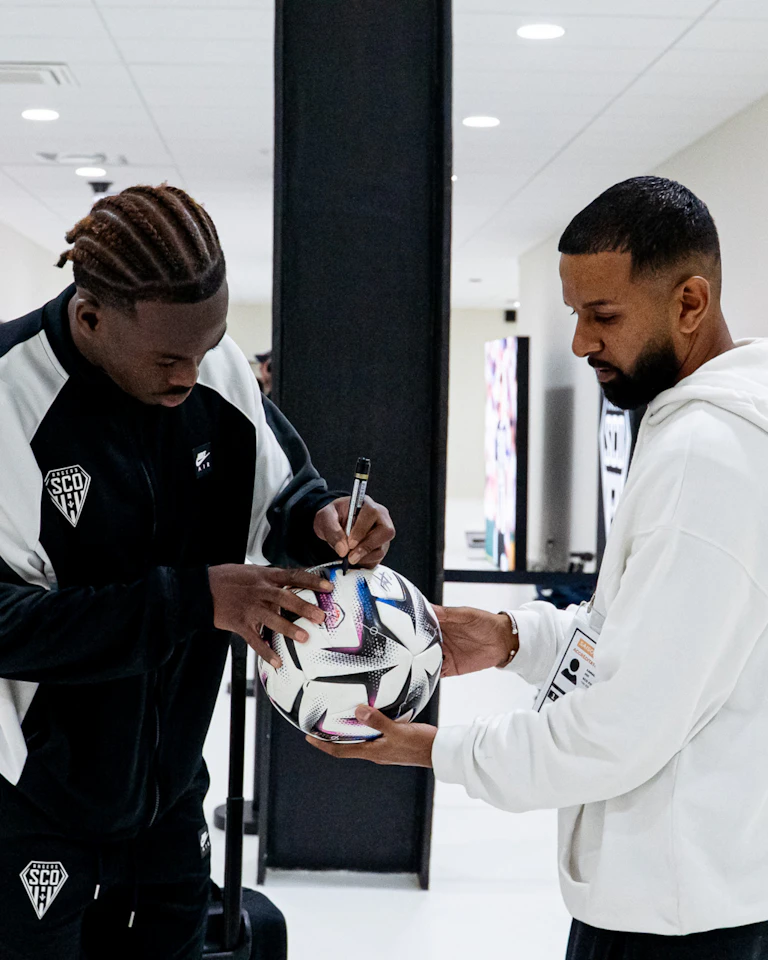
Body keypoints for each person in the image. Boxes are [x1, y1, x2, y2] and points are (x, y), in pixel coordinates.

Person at [312, 177, 768, 958]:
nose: (581, 343)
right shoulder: (700, 432)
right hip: (684, 898)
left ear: (690, 303)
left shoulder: (707, 459)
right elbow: (637, 647)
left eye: (604, 316)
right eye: (575, 314)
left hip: (681, 923)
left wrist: (427, 747)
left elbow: (617, 731)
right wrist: (513, 638)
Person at [0, 183, 395, 960]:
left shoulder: (213, 374)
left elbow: (287, 493)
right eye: (170, 357)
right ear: (89, 318)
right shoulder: (10, 399)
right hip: (32, 799)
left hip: (170, 790)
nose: (194, 374)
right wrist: (191, 601)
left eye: (211, 347)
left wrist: (323, 524)